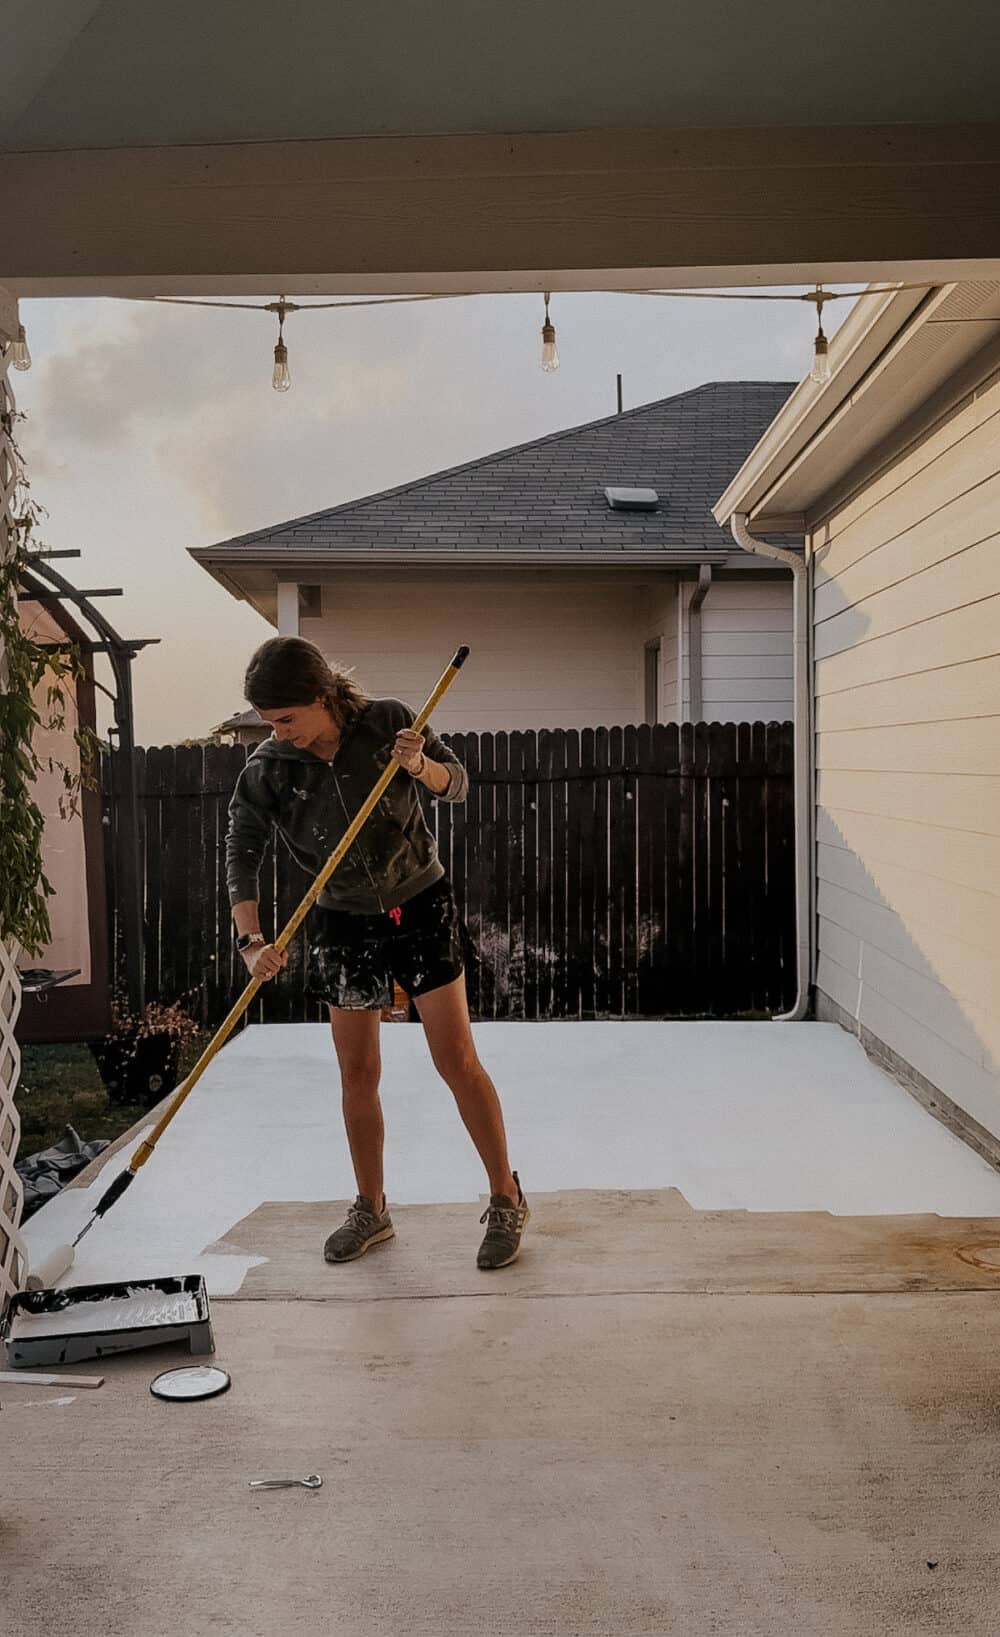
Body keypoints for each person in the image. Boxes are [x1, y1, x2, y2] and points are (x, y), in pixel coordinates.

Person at [225, 636, 528, 1270]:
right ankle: (371, 1207)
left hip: (419, 904)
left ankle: (505, 1196)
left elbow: (457, 785)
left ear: (320, 697)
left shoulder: (390, 721)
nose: (278, 734)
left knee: (455, 1058)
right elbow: (242, 851)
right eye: (268, 723)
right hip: (342, 922)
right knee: (357, 1072)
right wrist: (251, 942)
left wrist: (419, 766)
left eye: (286, 720)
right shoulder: (268, 769)